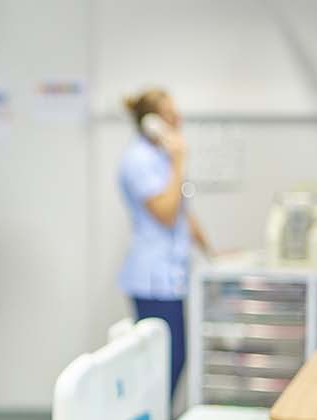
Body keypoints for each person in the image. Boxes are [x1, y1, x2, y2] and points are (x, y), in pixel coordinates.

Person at [118, 88, 213, 404]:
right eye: (171, 115)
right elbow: (167, 214)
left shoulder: (161, 158)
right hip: (152, 280)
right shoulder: (138, 160)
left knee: (175, 358)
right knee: (161, 363)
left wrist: (213, 253)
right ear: (151, 123)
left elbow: (186, 214)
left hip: (171, 277)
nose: (178, 120)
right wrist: (179, 160)